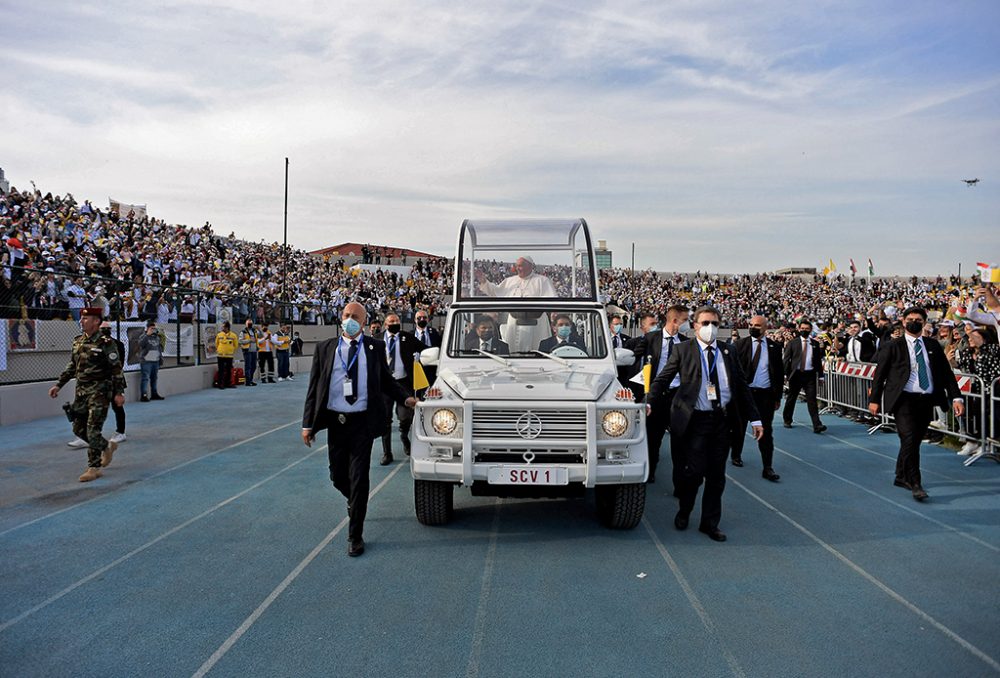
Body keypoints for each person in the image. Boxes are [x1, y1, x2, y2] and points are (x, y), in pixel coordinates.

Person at [301, 302, 417, 557]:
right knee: (337, 476)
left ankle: (355, 535)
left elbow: (387, 382)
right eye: (346, 315)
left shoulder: (374, 348)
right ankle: (353, 501)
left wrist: (406, 398)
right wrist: (307, 424)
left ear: (364, 322)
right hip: (336, 422)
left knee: (359, 478)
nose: (349, 319)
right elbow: (314, 388)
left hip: (362, 424)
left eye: (355, 316)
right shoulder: (325, 349)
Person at [648, 306, 763, 542]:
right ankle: (685, 510)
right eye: (705, 323)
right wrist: (649, 401)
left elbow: (741, 387)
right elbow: (662, 379)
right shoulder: (683, 350)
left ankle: (709, 523)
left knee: (716, 476)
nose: (710, 328)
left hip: (721, 421)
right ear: (695, 326)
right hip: (694, 422)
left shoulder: (728, 352)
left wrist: (755, 418)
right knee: (694, 473)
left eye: (715, 323)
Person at [869, 306, 964, 501]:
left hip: (926, 400)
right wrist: (874, 400)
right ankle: (915, 483)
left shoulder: (933, 345)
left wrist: (956, 397)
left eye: (918, 320)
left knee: (913, 441)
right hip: (903, 400)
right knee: (910, 439)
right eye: (910, 319)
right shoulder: (892, 346)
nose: (914, 322)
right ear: (904, 322)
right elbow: (880, 375)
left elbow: (947, 374)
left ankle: (900, 475)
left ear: (924, 323)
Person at [48, 308, 126, 482]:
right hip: (81, 391)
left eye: (86, 318)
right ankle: (107, 446)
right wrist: (58, 385)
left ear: (96, 321)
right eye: (81, 318)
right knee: (78, 429)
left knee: (92, 430)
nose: (82, 321)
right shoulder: (78, 341)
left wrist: (119, 392)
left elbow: (116, 369)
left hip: (100, 391)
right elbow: (72, 366)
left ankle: (94, 467)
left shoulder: (106, 343)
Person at [629, 304, 689, 487]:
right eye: (686, 320)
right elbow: (632, 358)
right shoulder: (651, 338)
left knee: (681, 440)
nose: (688, 323)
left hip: (678, 395)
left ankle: (680, 481)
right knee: (653, 437)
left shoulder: (686, 342)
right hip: (656, 395)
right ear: (674, 320)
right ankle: (650, 471)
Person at [731, 316, 784, 481]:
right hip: (743, 395)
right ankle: (736, 454)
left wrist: (777, 397)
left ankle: (767, 467)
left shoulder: (774, 347)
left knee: (766, 431)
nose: (753, 327)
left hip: (765, 396)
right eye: (751, 325)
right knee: (739, 427)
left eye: (757, 325)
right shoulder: (740, 345)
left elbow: (779, 374)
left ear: (765, 327)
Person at [379, 313, 421, 464]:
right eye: (391, 321)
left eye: (397, 320)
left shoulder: (406, 337)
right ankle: (387, 453)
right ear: (385, 324)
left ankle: (404, 434)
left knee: (405, 416)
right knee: (385, 419)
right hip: (384, 385)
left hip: (403, 383)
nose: (395, 323)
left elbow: (425, 348)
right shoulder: (377, 339)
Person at [957, 327, 1000, 456]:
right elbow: (960, 366)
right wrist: (951, 359)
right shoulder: (968, 352)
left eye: (974, 336)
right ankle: (973, 441)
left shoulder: (993, 349)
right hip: (974, 390)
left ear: (984, 339)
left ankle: (987, 443)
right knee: (971, 414)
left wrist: (968, 329)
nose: (970, 339)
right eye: (969, 337)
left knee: (989, 416)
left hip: (992, 390)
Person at [782, 318, 826, 433]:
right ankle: (787, 419)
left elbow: (817, 362)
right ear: (799, 329)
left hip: (810, 375)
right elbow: (786, 360)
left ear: (810, 330)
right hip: (796, 375)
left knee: (812, 400)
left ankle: (817, 425)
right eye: (802, 329)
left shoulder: (815, 344)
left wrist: (821, 376)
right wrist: (785, 375)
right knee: (792, 398)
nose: (804, 330)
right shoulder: (793, 343)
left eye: (807, 329)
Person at [100, 321, 128, 443]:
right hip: (99, 380)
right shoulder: (94, 344)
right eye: (103, 328)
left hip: (113, 380)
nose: (105, 331)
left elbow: (118, 365)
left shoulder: (117, 344)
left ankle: (121, 432)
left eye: (106, 329)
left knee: (117, 406)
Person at [476, 256, 557, 298]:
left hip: (535, 321)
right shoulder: (509, 281)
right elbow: (496, 292)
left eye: (520, 266)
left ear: (530, 266)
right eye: (516, 266)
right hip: (512, 320)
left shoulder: (542, 281)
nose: (517, 268)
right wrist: (484, 281)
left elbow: (552, 300)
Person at [138, 320, 164, 401]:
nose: (153, 330)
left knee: (154, 378)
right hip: (146, 361)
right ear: (147, 328)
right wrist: (147, 335)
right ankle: (144, 395)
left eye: (154, 328)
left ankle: (154, 393)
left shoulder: (156, 337)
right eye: (151, 328)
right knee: (145, 378)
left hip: (155, 361)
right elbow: (140, 344)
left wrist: (160, 358)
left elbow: (159, 348)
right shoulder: (143, 336)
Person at [215, 320, 238, 389]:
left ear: (227, 327)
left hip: (229, 356)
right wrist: (220, 350)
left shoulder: (233, 335)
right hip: (220, 355)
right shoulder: (219, 335)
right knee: (221, 370)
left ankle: (228, 383)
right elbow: (217, 344)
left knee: (229, 370)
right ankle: (220, 384)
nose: (222, 328)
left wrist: (230, 350)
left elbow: (236, 345)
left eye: (224, 327)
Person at [239, 319, 260, 386]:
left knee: (254, 366)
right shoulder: (243, 332)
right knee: (248, 366)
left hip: (254, 350)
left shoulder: (254, 331)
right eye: (249, 323)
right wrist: (249, 340)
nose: (250, 325)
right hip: (247, 351)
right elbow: (240, 341)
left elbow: (261, 336)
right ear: (246, 324)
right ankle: (248, 381)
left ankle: (251, 379)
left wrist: (259, 329)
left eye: (251, 323)